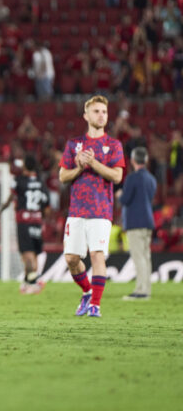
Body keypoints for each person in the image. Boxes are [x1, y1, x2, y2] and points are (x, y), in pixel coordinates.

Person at [59, 95, 125, 318]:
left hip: (101, 210)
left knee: (97, 255)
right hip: (76, 210)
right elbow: (62, 176)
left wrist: (93, 162)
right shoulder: (73, 144)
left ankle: (95, 305)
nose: (101, 115)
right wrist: (79, 166)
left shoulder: (113, 145)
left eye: (104, 112)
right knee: (71, 259)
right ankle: (87, 292)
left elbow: (117, 176)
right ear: (86, 115)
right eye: (96, 111)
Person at [0, 155, 51, 294]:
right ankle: (28, 282)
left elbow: (11, 197)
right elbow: (47, 207)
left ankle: (35, 282)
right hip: (37, 221)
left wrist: (1, 209)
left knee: (27, 255)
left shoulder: (19, 180)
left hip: (24, 221)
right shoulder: (41, 182)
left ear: (25, 166)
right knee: (33, 254)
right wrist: (40, 217)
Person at [118, 147, 156, 300]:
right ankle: (146, 288)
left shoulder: (132, 178)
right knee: (146, 257)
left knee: (138, 257)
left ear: (133, 161)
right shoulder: (151, 179)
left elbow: (125, 200)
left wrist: (120, 194)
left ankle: (141, 291)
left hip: (135, 222)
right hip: (148, 221)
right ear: (146, 161)